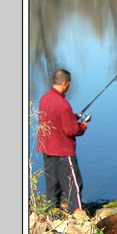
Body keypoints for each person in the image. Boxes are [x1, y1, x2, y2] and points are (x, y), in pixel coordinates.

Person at [37, 69, 88, 213]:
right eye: (69, 83)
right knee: (74, 185)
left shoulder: (44, 99)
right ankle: (77, 213)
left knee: (52, 186)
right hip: (63, 151)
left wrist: (72, 117)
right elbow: (71, 130)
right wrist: (83, 125)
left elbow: (54, 118)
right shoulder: (63, 104)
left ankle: (51, 214)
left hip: (47, 149)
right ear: (65, 83)